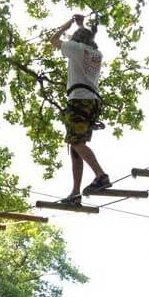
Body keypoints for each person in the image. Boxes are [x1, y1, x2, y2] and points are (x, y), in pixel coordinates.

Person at [50, 14, 112, 205]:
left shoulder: (75, 48)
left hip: (78, 100)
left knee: (76, 143)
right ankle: (75, 193)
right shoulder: (96, 54)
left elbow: (53, 40)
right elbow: (88, 39)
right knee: (77, 147)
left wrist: (68, 23)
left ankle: (101, 176)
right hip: (92, 102)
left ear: (77, 39)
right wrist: (81, 25)